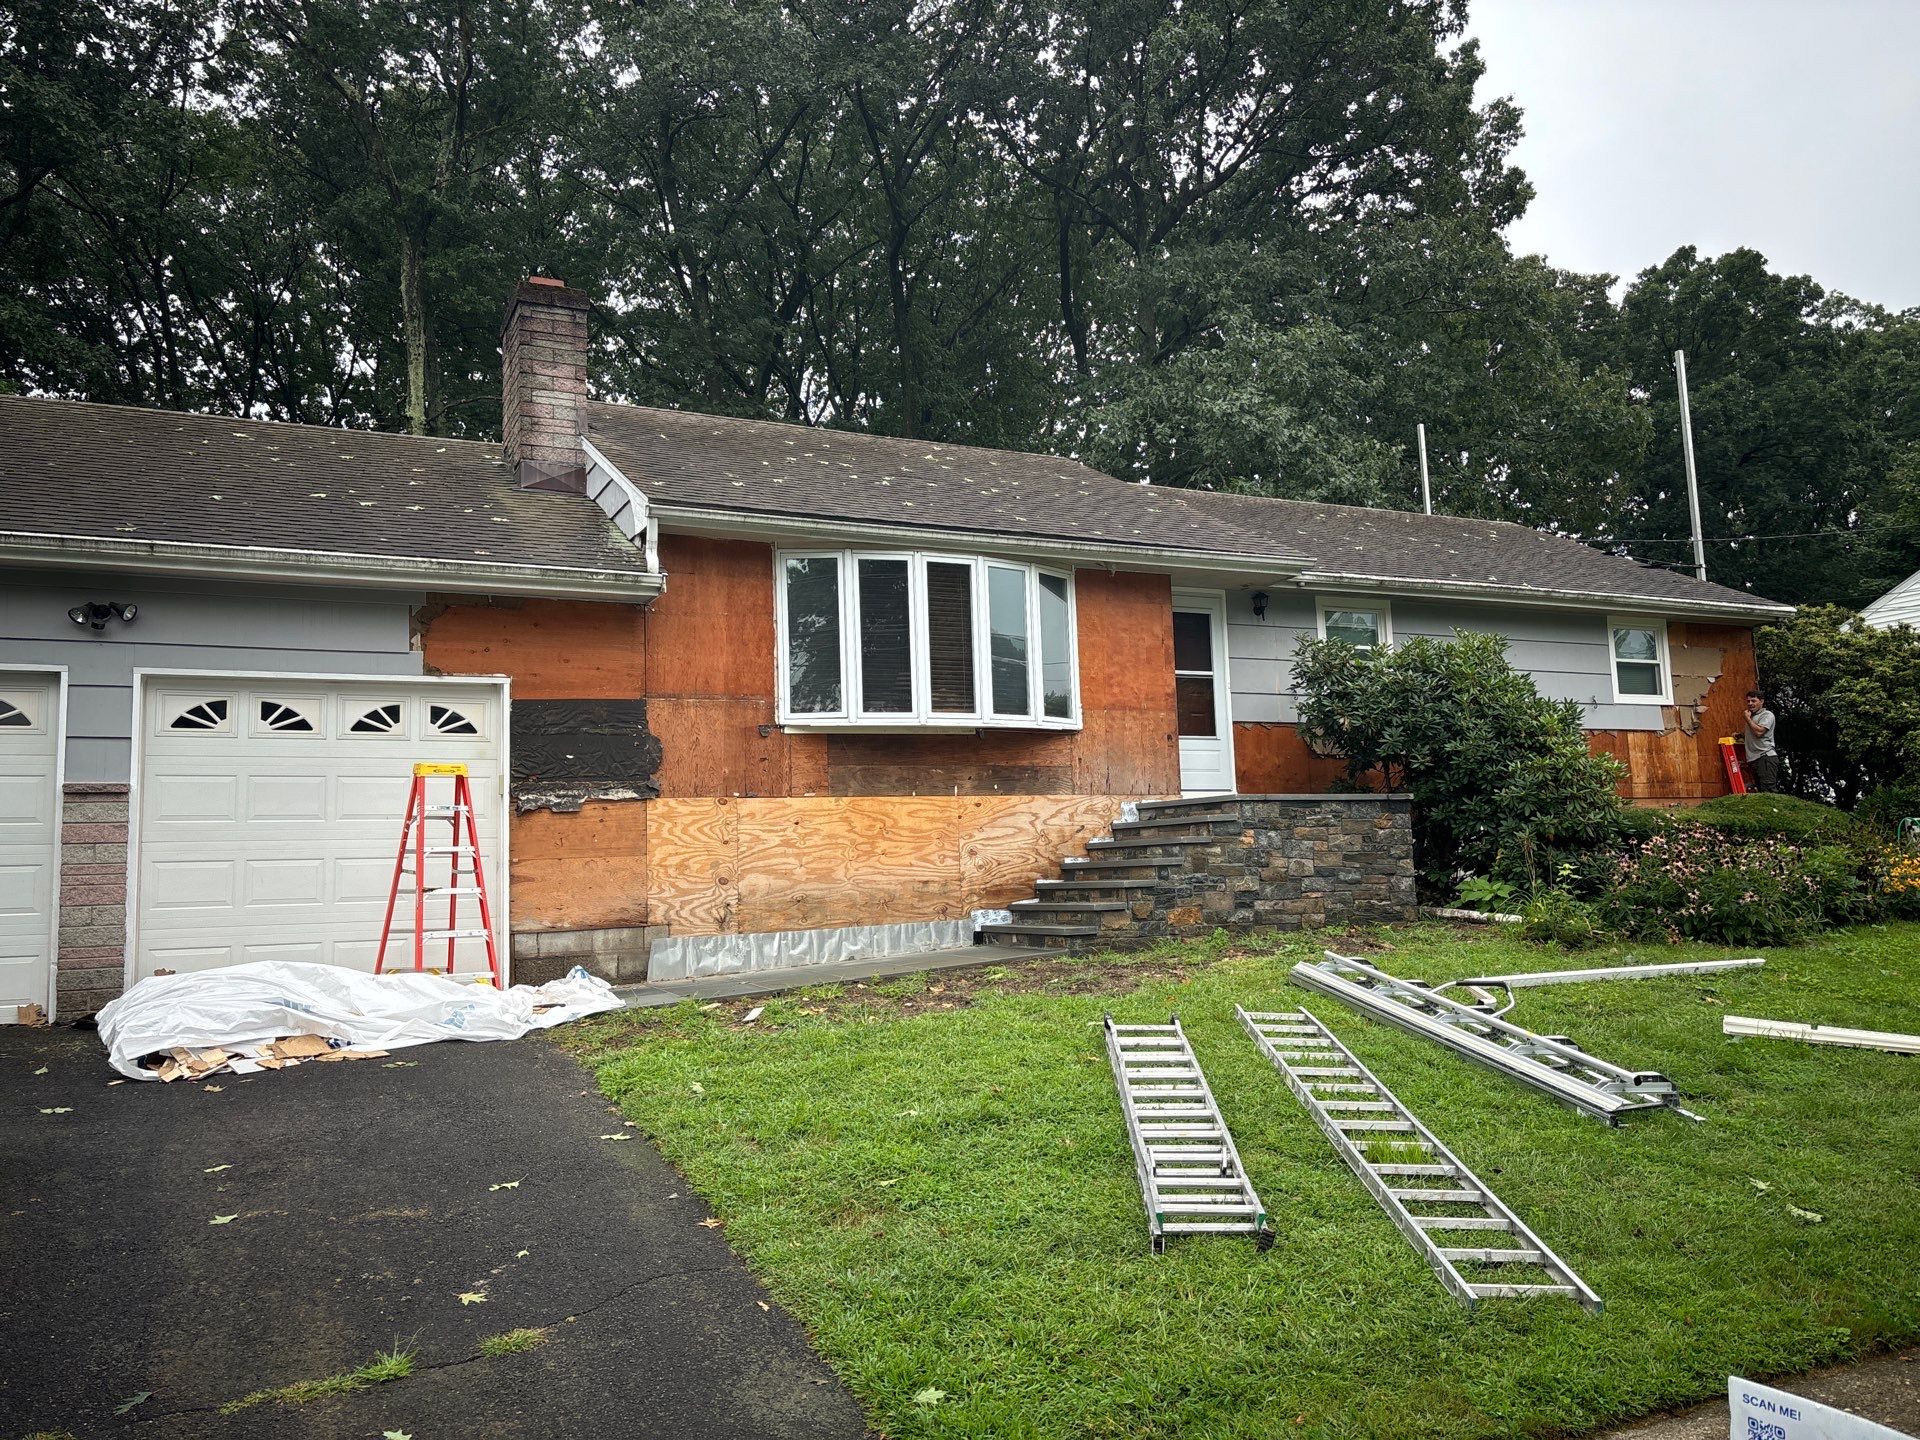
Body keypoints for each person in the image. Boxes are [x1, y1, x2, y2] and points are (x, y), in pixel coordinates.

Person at [1742, 688, 1780, 792]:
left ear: (1761, 701)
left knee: (1768, 791)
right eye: (1748, 701)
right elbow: (1752, 733)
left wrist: (1748, 719)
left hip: (1765, 757)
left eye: (1753, 701)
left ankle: (1774, 808)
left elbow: (1759, 732)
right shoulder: (1751, 717)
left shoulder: (1767, 715)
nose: (1750, 703)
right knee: (1761, 792)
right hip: (1754, 759)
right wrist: (1740, 735)